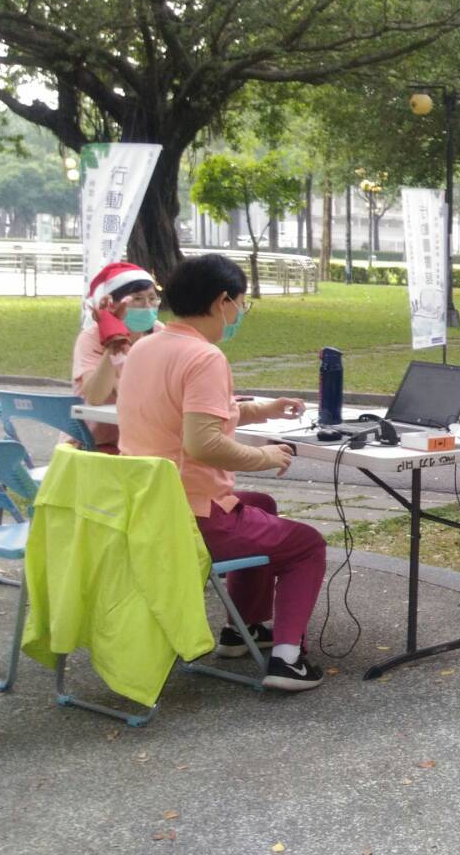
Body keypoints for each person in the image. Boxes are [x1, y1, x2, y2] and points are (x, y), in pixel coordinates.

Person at [117, 254, 328, 692]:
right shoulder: (204, 356)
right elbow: (203, 443)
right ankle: (288, 660)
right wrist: (267, 458)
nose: (240, 313)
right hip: (191, 516)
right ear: (223, 301)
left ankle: (242, 628)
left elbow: (196, 414)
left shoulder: (146, 347)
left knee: (262, 506)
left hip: (146, 507)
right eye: (242, 303)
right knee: (306, 543)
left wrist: (262, 410)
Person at [72, 262, 163, 452]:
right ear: (113, 304)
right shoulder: (91, 338)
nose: (147, 306)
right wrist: (113, 343)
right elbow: (95, 396)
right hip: (96, 445)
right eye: (137, 299)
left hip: (149, 439)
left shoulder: (159, 333)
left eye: (152, 298)